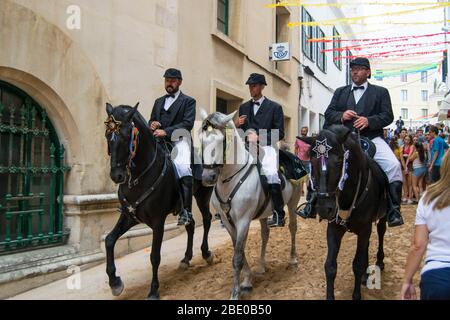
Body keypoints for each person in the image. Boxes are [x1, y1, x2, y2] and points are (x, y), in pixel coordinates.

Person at [298, 57, 404, 227]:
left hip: (371, 138)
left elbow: (387, 116)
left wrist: (369, 121)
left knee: (393, 165)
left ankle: (393, 209)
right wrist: (341, 116)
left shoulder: (381, 92)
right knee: (319, 160)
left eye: (360, 68)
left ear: (368, 72)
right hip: (343, 140)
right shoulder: (341, 92)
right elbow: (329, 114)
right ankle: (311, 203)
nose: (355, 71)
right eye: (353, 68)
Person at [235, 73, 286, 228]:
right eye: (250, 86)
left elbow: (280, 133)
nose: (251, 88)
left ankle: (279, 214)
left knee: (271, 174)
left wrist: (259, 138)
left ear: (262, 87)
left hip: (266, 147)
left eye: (254, 85)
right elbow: (243, 132)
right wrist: (236, 124)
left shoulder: (275, 107)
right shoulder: (243, 107)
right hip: (246, 147)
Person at [149, 68, 196, 226]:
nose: (169, 83)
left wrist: (166, 131)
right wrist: (152, 124)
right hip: (159, 140)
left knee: (183, 168)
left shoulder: (189, 101)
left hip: (179, 140)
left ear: (179, 82)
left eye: (173, 80)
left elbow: (187, 124)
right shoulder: (158, 101)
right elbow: (152, 120)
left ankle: (186, 211)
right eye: (167, 80)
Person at [401, 152, 450, 300]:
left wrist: (407, 280)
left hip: (437, 275)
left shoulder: (428, 197)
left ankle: (391, 206)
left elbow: (418, 245)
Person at [295, 127, 311, 197]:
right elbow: (296, 148)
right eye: (302, 131)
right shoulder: (298, 139)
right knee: (301, 176)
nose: (303, 132)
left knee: (307, 177)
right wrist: (295, 157)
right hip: (300, 160)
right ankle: (301, 190)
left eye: (304, 131)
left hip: (308, 161)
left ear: (307, 132)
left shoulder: (309, 140)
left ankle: (308, 191)